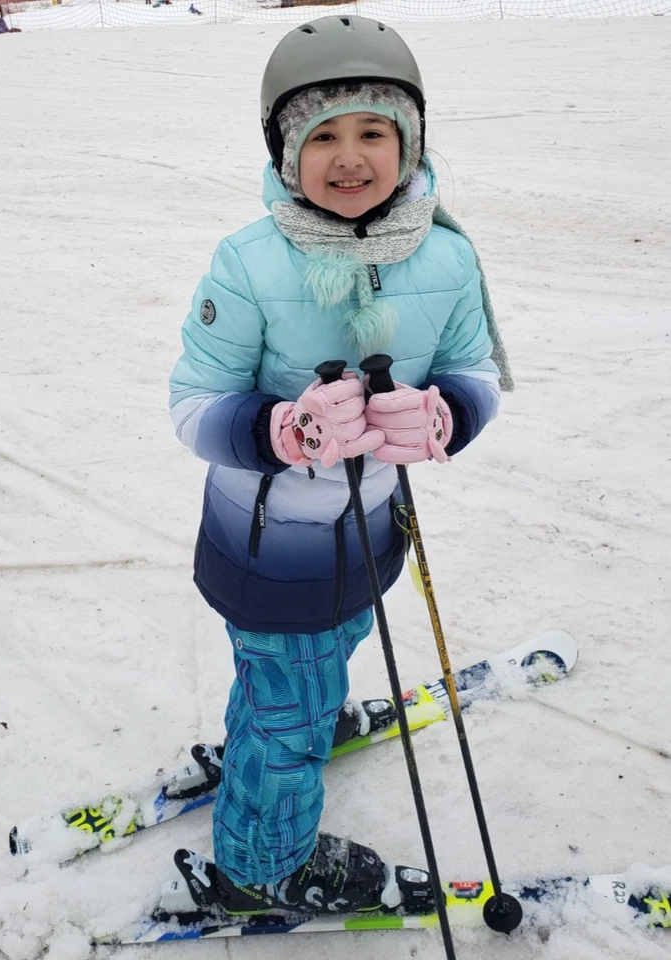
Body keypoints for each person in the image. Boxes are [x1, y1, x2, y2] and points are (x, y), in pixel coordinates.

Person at [168, 14, 512, 917]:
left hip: (368, 535)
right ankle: (261, 865)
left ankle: (285, 718)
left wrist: (445, 413)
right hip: (268, 552)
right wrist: (279, 431)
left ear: (411, 142)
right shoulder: (248, 262)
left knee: (328, 651)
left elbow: (476, 369)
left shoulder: (446, 252)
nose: (350, 156)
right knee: (289, 686)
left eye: (374, 131)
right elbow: (193, 405)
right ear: (286, 150)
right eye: (322, 133)